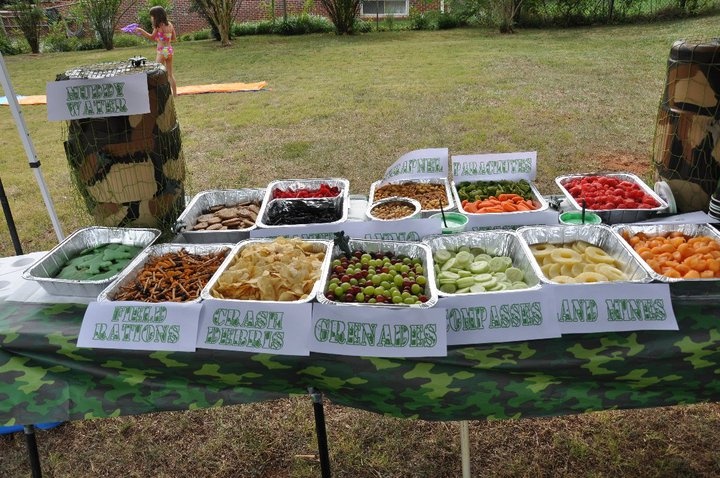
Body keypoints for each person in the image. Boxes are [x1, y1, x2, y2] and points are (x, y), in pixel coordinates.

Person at [135, 6, 177, 97]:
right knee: (170, 74)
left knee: (156, 72)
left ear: (156, 16)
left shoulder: (158, 26)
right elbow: (174, 38)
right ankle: (175, 94)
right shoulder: (170, 24)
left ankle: (159, 94)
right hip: (169, 50)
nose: (151, 18)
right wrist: (162, 39)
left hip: (162, 51)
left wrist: (141, 31)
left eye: (152, 16)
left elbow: (151, 37)